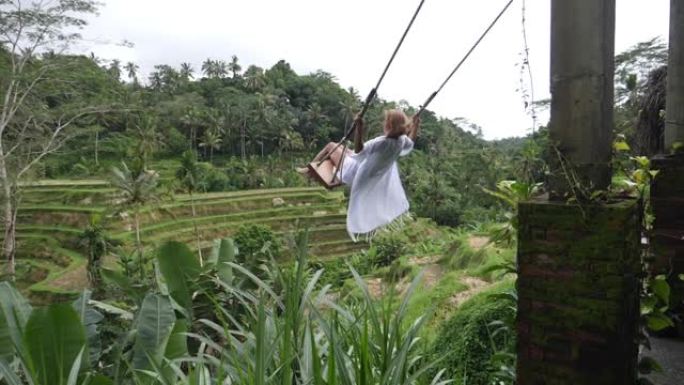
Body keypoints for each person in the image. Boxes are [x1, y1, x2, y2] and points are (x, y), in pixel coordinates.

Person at [301, 109, 420, 240]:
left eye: (385, 121)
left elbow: (359, 151)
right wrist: (415, 126)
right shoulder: (401, 141)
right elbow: (411, 142)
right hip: (361, 166)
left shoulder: (381, 142)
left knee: (331, 146)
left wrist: (359, 128)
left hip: (353, 171)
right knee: (341, 149)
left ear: (389, 125)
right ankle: (310, 169)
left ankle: (310, 169)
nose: (383, 123)